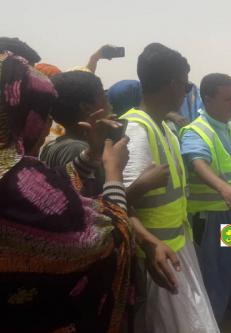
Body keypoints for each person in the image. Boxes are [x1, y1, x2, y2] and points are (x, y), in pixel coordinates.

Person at [0, 53, 133, 332]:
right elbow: (107, 238)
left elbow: (58, 190)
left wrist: (92, 155)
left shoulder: (19, 173)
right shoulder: (17, 182)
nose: (49, 123)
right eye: (44, 114)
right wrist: (113, 174)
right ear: (27, 117)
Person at [120, 43, 218, 333]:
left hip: (183, 240)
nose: (188, 92)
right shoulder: (138, 130)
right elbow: (116, 204)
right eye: (187, 84)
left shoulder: (167, 128)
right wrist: (149, 245)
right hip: (161, 253)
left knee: (227, 267)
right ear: (174, 84)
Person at [179, 73, 231, 322]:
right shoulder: (196, 131)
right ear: (208, 99)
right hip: (209, 219)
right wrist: (222, 187)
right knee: (213, 268)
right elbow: (197, 162)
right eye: (227, 99)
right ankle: (213, 317)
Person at [40, 71, 110, 193]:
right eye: (104, 98)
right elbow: (92, 207)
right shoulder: (79, 150)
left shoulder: (52, 146)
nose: (109, 104)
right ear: (87, 108)